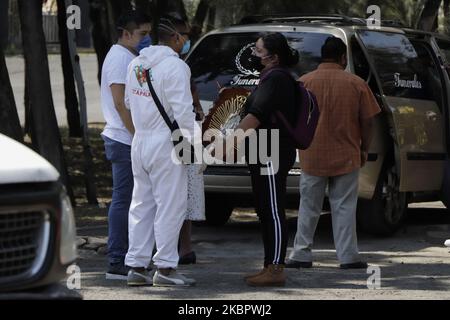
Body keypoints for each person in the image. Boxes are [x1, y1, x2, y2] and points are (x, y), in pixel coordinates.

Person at [212, 33, 299, 286]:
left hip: (272, 149)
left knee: (272, 210)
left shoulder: (276, 79)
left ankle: (276, 268)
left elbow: (255, 117)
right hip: (264, 148)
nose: (253, 54)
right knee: (264, 209)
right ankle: (269, 264)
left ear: (274, 56)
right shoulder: (269, 78)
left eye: (258, 50)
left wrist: (230, 144)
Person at [286, 37, 381, 270]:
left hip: (311, 155)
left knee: (309, 206)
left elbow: (292, 118)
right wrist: (364, 148)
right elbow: (368, 121)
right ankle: (348, 257)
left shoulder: (304, 82)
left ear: (322, 55)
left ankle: (301, 254)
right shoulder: (356, 83)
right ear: (342, 57)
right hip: (347, 155)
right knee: (344, 207)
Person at [124, 16, 200, 287]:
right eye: (185, 36)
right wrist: (193, 147)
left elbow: (128, 103)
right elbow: (183, 111)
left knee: (141, 205)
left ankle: (136, 266)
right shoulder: (176, 67)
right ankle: (166, 268)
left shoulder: (135, 64)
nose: (187, 41)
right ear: (175, 38)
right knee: (171, 206)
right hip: (166, 143)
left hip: (140, 141)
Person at [101, 11, 152, 280]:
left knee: (133, 200)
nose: (147, 39)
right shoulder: (120, 58)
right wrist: (138, 135)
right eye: (142, 34)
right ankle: (117, 260)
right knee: (124, 200)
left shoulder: (128, 56)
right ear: (126, 32)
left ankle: (129, 257)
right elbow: (121, 103)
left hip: (127, 137)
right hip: (123, 138)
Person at [179, 81, 206, 265]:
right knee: (185, 195)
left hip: (175, 139)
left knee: (177, 196)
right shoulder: (180, 69)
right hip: (184, 139)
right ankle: (184, 248)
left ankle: (181, 248)